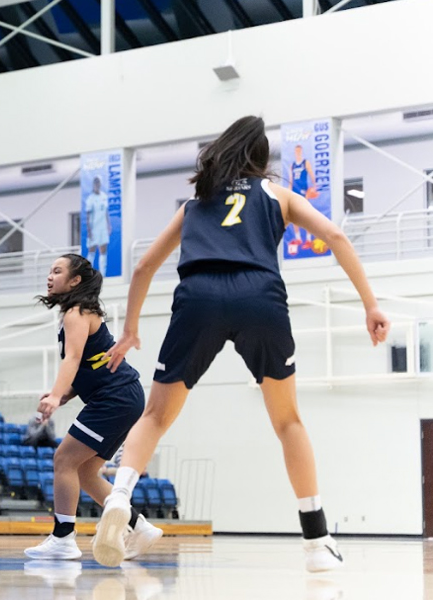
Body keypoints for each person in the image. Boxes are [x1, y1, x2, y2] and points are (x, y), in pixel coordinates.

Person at [94, 116, 391, 573]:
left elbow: (142, 267)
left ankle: (118, 497)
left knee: (155, 415)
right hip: (259, 296)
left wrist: (131, 328)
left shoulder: (198, 202)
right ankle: (317, 541)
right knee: (288, 421)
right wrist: (370, 305)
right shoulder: (277, 195)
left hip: (198, 297)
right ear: (260, 157)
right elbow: (334, 235)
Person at [24, 254, 162, 562]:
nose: (49, 276)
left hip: (114, 398)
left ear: (75, 281)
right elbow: (87, 368)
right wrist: (61, 396)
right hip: (122, 396)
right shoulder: (79, 312)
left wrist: (56, 395)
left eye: (57, 271)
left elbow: (71, 360)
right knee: (85, 471)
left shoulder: (76, 313)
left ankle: (63, 538)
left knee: (63, 459)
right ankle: (139, 527)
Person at [287, 145, 317, 250]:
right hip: (294, 191)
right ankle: (298, 237)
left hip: (304, 191)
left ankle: (308, 239)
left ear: (301, 151)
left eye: (299, 151)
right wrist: (288, 191)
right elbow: (291, 180)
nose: (298, 152)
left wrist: (314, 186)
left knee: (305, 215)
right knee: (294, 216)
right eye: (296, 151)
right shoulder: (293, 165)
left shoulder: (305, 163)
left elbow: (312, 175)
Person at [85, 177, 111, 274]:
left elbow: (106, 212)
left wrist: (108, 225)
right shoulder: (90, 199)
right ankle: (88, 274)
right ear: (93, 185)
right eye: (95, 183)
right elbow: (87, 216)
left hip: (103, 227)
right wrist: (89, 230)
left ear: (100, 184)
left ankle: (103, 274)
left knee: (103, 251)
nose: (97, 185)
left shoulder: (104, 196)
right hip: (94, 228)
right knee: (92, 251)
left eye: (98, 183)